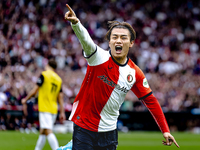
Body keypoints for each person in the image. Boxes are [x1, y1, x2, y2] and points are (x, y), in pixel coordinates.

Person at [61, 4, 180, 150]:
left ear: (131, 43)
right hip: (84, 127)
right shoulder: (98, 57)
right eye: (115, 37)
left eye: (123, 38)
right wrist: (76, 23)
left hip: (109, 132)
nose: (118, 40)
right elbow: (86, 40)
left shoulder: (135, 73)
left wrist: (166, 130)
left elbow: (151, 101)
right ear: (109, 42)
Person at [22, 59, 66, 150]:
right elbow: (60, 97)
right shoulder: (58, 79)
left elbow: (34, 91)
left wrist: (25, 99)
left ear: (47, 65)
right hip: (53, 109)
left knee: (48, 131)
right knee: (42, 131)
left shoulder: (44, 75)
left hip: (45, 108)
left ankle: (57, 149)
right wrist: (62, 112)